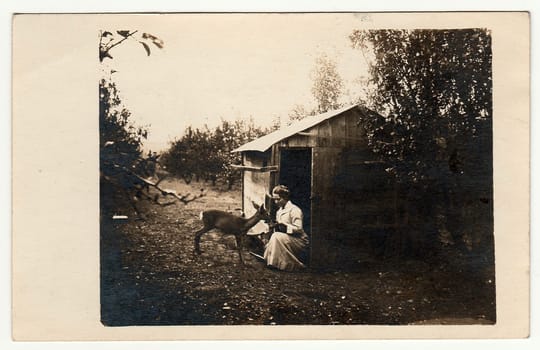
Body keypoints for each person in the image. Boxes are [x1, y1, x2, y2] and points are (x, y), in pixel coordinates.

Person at [263, 185, 309, 271]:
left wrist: (285, 225)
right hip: (286, 238)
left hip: (299, 240)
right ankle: (273, 262)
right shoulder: (279, 211)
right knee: (274, 237)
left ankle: (290, 264)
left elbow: (299, 229)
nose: (276, 202)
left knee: (276, 236)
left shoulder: (294, 210)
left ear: (285, 198)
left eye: (278, 199)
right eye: (274, 199)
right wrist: (274, 225)